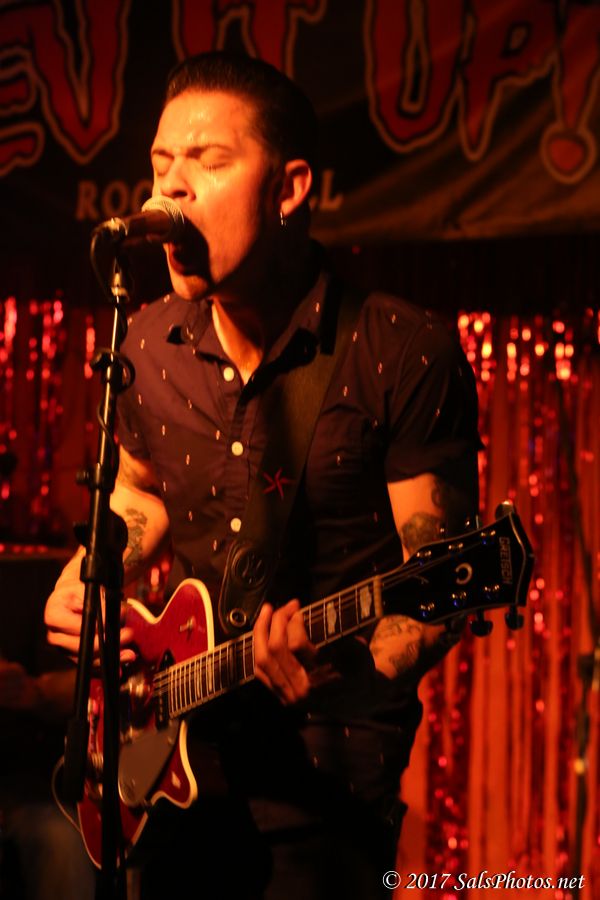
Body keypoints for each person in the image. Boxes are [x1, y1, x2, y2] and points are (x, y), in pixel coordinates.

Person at [44, 52, 480, 899]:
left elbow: (443, 586)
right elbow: (136, 491)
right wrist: (95, 570)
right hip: (171, 774)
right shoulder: (149, 343)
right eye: (161, 165)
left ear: (289, 189)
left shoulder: (399, 351)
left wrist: (345, 659)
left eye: (208, 161)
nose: (172, 189)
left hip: (325, 796)